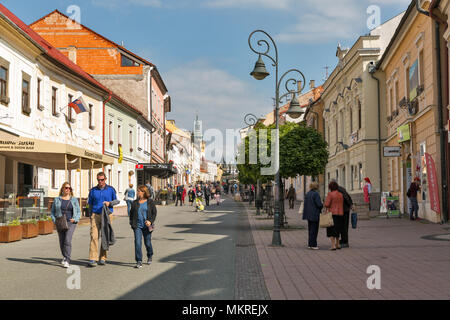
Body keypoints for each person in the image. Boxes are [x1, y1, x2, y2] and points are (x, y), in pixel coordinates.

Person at [87, 172, 118, 267]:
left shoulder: (111, 189)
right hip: (95, 215)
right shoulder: (93, 190)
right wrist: (90, 215)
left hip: (107, 215)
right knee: (94, 236)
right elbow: (90, 204)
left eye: (102, 179)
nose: (100, 181)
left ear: (105, 179)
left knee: (105, 236)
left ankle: (103, 258)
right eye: (98, 180)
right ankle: (93, 258)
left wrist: (110, 203)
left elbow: (117, 201)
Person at [51, 182, 81, 268]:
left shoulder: (74, 200)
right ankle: (64, 256)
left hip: (71, 222)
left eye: (69, 188)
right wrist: (54, 220)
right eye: (66, 188)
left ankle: (67, 260)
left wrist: (75, 219)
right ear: (62, 189)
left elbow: (78, 212)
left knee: (67, 240)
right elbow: (52, 211)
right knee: (62, 241)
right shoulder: (57, 199)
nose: (68, 189)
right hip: (60, 222)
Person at [129, 185, 157, 269]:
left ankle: (150, 254)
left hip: (147, 226)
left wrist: (150, 221)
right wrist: (131, 223)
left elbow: (154, 213)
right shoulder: (135, 202)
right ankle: (139, 260)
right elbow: (131, 213)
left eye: (139, 191)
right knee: (137, 242)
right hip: (137, 226)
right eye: (137, 191)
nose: (138, 192)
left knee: (147, 243)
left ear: (144, 192)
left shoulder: (150, 202)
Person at [324, 181, 344, 250]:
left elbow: (327, 204)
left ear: (330, 187)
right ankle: (338, 244)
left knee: (331, 229)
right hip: (340, 213)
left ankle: (333, 245)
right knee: (338, 229)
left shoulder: (330, 194)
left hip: (332, 214)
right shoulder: (341, 194)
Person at [302, 182, 323, 250]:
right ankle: (313, 245)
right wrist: (322, 205)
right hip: (314, 214)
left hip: (308, 214)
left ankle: (310, 244)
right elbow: (319, 204)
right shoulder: (316, 194)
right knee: (314, 230)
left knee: (310, 230)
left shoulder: (308, 193)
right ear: (316, 187)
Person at [335, 181, 353, 248]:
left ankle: (345, 242)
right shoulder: (341, 189)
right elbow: (348, 196)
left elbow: (346, 197)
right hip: (343, 210)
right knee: (342, 226)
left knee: (344, 227)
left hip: (344, 210)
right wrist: (351, 204)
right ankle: (343, 240)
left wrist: (350, 204)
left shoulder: (339, 189)